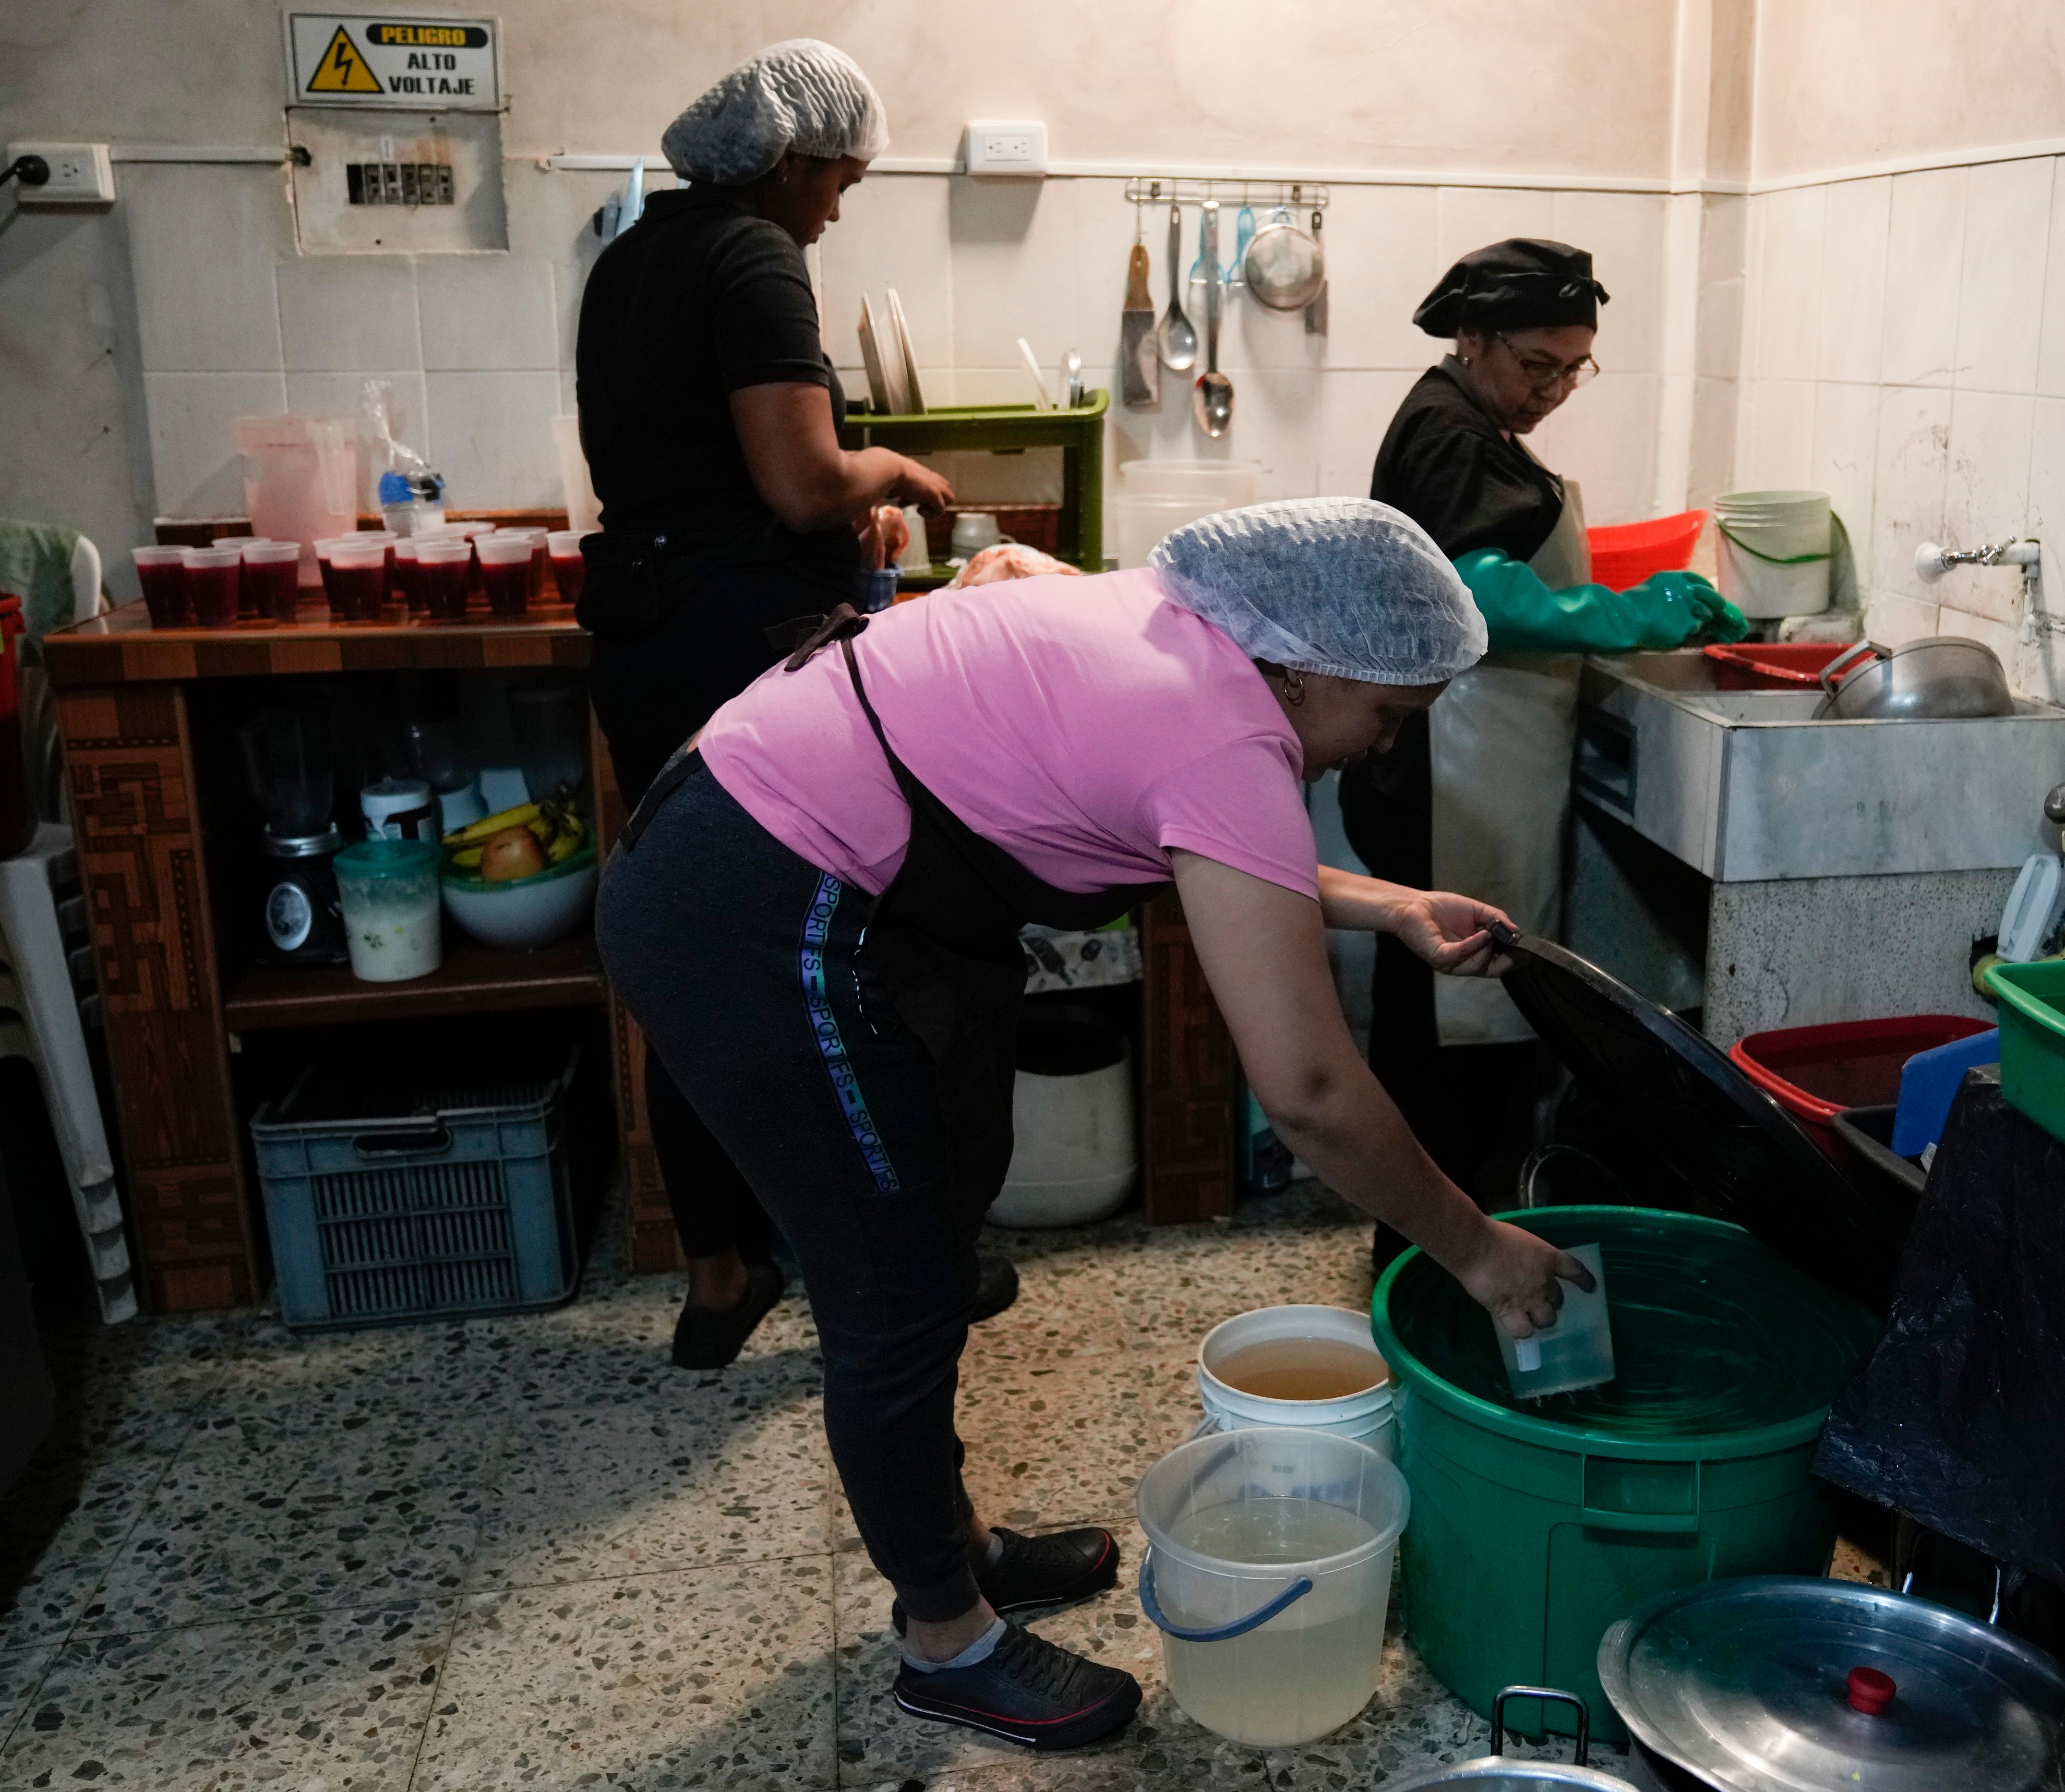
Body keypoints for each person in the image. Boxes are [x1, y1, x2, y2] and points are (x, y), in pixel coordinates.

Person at [597, 499, 1594, 1751]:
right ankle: (944, 1639)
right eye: (1387, 716)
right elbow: (1311, 1094)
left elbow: (1207, 844)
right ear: (1302, 664)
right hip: (748, 897)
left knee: (941, 1212)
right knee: (892, 1279)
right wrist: (1481, 1250)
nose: (1379, 751)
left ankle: (948, 1542)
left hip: (832, 875)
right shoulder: (1222, 729)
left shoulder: (1190, 633)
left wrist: (1389, 906)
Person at [573, 41, 1031, 1368]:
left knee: (691, 943)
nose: (840, 205)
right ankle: (910, 1260)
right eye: (841, 177)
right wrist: (889, 465)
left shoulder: (631, 259)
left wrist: (844, 518)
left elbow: (706, 472)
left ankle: (720, 1270)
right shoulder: (757, 258)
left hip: (652, 636)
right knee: (860, 945)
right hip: (746, 651)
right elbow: (793, 479)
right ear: (789, 160)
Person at [1344, 238, 1746, 1271]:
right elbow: (1477, 593)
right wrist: (1624, 613)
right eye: (1537, 366)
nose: (1556, 390)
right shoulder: (1449, 429)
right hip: (1446, 774)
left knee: (1460, 1034)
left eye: (1574, 368)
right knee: (1452, 1039)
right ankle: (1432, 1262)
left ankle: (1436, 1252)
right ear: (1472, 340)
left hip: (1473, 768)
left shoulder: (1468, 418)